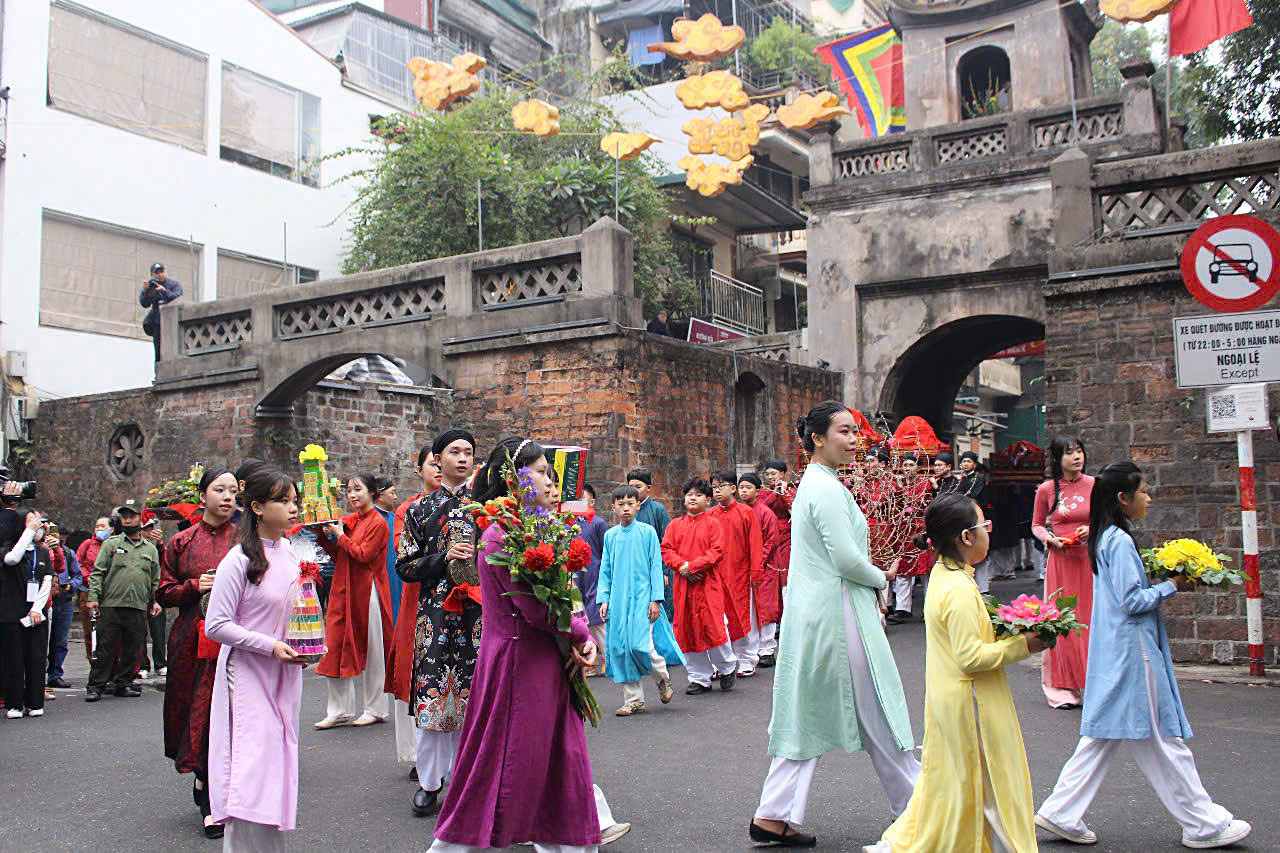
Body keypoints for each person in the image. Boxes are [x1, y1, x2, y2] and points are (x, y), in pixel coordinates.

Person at [1035, 462, 1251, 850]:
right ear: (1123, 498)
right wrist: (1173, 584)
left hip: (1118, 651)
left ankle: (1062, 810)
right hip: (1134, 654)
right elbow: (1133, 601)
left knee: (1102, 736)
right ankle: (1203, 824)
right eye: (1144, 491)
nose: (1148, 498)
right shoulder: (1116, 541)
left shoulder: (1106, 538)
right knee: (1163, 741)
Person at [750, 402, 920, 848]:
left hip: (821, 612)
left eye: (854, 431)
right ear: (818, 439)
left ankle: (774, 813)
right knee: (879, 709)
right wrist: (881, 576)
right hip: (838, 613)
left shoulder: (819, 484)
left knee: (806, 712)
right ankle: (921, 807)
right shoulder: (823, 489)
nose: (853, 439)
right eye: (843, 431)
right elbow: (846, 560)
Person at [429, 436, 600, 852]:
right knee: (504, 763)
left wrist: (580, 632)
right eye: (540, 472)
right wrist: (580, 634)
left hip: (544, 660)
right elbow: (535, 609)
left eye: (548, 472)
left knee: (558, 760)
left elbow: (561, 596)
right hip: (519, 664)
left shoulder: (533, 527)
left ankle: (568, 841)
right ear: (513, 478)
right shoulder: (500, 536)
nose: (548, 480)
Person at [867, 494, 1045, 853]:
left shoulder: (944, 575)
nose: (988, 534)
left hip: (950, 696)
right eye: (985, 527)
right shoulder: (960, 588)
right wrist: (1026, 644)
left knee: (957, 784)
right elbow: (971, 657)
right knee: (988, 784)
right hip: (969, 702)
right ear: (967, 537)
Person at [206, 465, 308, 853]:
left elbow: (299, 611)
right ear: (258, 507)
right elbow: (216, 625)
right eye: (283, 501)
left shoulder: (291, 554)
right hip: (247, 674)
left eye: (294, 500)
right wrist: (268, 645)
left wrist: (309, 644)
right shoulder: (239, 560)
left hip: (284, 672)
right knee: (251, 766)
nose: (293, 508)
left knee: (277, 762)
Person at [396, 428, 482, 818]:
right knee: (436, 700)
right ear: (437, 459)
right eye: (454, 452)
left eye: (468, 452)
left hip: (480, 615)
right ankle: (430, 783)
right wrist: (445, 558)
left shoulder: (489, 507)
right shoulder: (418, 510)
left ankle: (470, 782)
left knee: (477, 697)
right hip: (435, 616)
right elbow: (405, 566)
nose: (462, 458)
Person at [156, 467, 240, 839]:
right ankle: (207, 790)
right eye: (219, 490)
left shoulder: (244, 540)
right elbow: (163, 592)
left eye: (233, 491)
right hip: (192, 637)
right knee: (199, 710)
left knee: (233, 713)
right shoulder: (181, 542)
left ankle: (224, 789)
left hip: (236, 639)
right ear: (202, 494)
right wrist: (196, 584)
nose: (227, 498)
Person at [314, 473, 393, 729]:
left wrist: (340, 536)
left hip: (367, 590)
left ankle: (376, 707)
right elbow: (341, 555)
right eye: (349, 490)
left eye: (358, 490)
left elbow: (363, 554)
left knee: (372, 649)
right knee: (335, 645)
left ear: (373, 493)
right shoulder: (350, 521)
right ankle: (339, 710)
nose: (352, 495)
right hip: (343, 587)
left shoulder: (378, 523)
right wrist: (326, 536)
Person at [597, 485, 683, 716]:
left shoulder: (647, 532)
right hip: (617, 599)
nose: (625, 508)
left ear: (638, 505)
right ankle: (634, 700)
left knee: (640, 645)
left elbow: (656, 565)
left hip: (643, 598)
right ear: (613, 507)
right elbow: (605, 569)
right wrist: (603, 598)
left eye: (630, 503)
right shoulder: (610, 536)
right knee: (621, 648)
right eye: (620, 504)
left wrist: (656, 599)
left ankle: (662, 678)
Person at [387, 448, 443, 771]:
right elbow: (402, 553)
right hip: (417, 598)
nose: (438, 468)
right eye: (432, 464)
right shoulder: (408, 510)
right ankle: (418, 753)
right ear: (419, 469)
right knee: (414, 671)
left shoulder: (466, 506)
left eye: (441, 463)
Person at [1032, 436, 1095, 710]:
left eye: (1079, 451)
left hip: (1089, 560)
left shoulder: (1095, 485)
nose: (1076, 457)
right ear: (1058, 459)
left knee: (1092, 619)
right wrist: (1050, 539)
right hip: (1061, 561)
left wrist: (1091, 530)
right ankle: (1062, 689)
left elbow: (1107, 518)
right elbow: (1036, 525)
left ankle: (1094, 684)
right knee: (1062, 621)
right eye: (1069, 453)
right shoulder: (1047, 489)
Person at [661, 478, 737, 695]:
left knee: (713, 627)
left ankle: (727, 666)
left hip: (707, 583)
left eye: (698, 494)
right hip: (683, 585)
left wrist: (692, 567)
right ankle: (699, 677)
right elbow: (666, 550)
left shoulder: (714, 524)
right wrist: (681, 567)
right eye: (689, 494)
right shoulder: (675, 525)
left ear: (707, 499)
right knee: (687, 630)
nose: (693, 498)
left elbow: (717, 551)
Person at [86, 499, 161, 702]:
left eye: (132, 516)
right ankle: (96, 685)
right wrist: (93, 597)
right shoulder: (112, 543)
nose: (127, 519)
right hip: (112, 604)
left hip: (137, 605)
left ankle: (123, 683)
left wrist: (154, 601)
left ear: (141, 518)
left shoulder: (150, 550)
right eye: (124, 516)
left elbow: (154, 579)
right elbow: (98, 572)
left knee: (133, 648)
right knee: (105, 648)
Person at [710, 471, 762, 677]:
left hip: (740, 573)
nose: (716, 491)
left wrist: (755, 571)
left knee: (743, 617)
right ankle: (723, 661)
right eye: (714, 487)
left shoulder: (746, 513)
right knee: (719, 619)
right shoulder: (710, 515)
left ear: (733, 488)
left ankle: (747, 658)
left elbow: (755, 544)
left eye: (721, 486)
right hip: (715, 575)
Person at [2, 510, 54, 718]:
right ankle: (14, 703)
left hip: (36, 614)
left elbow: (47, 580)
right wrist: (28, 532)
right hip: (12, 613)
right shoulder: (9, 548)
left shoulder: (42, 552)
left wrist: (37, 609)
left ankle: (34, 702)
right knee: (14, 659)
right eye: (31, 520)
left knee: (37, 658)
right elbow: (12, 559)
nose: (37, 524)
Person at [736, 473, 783, 670]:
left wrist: (758, 562)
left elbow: (771, 541)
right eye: (741, 487)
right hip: (744, 568)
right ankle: (753, 648)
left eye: (748, 487)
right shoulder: (738, 511)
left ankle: (767, 648)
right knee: (751, 609)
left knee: (767, 608)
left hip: (766, 567)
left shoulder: (765, 513)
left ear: (758, 490)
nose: (744, 491)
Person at [887, 453, 933, 625]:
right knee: (903, 570)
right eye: (904, 465)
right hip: (904, 532)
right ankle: (902, 608)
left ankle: (930, 608)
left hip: (921, 530)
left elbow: (922, 504)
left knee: (925, 571)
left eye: (910, 465)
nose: (906, 469)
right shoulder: (898, 485)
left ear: (918, 467)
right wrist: (898, 488)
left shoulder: (925, 483)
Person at [572, 484, 609, 678]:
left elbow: (607, 552)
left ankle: (608, 658)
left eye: (581, 498)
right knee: (580, 617)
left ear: (592, 501)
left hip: (595, 574)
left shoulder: (598, 523)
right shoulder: (567, 524)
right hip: (576, 575)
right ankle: (591, 661)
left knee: (596, 618)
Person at [627, 468, 673, 621]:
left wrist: (664, 570)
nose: (633, 490)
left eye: (638, 486)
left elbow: (667, 541)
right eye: (630, 486)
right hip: (633, 568)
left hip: (655, 568)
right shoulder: (627, 510)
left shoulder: (657, 510)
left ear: (648, 488)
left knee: (658, 612)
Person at [44, 523, 82, 689]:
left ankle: (55, 674)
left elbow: (78, 575)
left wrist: (70, 585)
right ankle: (40, 674)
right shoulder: (42, 551)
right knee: (44, 640)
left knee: (60, 640)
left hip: (64, 600)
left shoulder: (68, 553)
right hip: (45, 599)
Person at [75, 516, 111, 665]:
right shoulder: (88, 544)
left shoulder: (112, 544)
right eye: (97, 526)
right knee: (90, 629)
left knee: (108, 630)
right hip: (88, 589)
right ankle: (93, 661)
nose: (99, 529)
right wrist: (88, 576)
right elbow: (78, 563)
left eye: (103, 526)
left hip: (108, 591)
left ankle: (108, 663)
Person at [139, 512, 169, 678]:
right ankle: (143, 665)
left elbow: (166, 563)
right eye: (147, 528)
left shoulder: (158, 547)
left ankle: (160, 663)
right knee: (140, 631)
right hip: (140, 592)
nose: (150, 531)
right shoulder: (138, 546)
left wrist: (160, 544)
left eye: (152, 528)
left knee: (158, 631)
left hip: (157, 593)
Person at [140, 261, 184, 362]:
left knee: (173, 348)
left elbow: (178, 297)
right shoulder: (151, 286)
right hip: (157, 323)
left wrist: (164, 291)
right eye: (157, 273)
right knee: (158, 350)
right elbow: (145, 304)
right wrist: (145, 291)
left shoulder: (173, 284)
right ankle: (158, 372)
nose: (160, 274)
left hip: (172, 322)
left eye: (161, 272)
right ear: (152, 275)